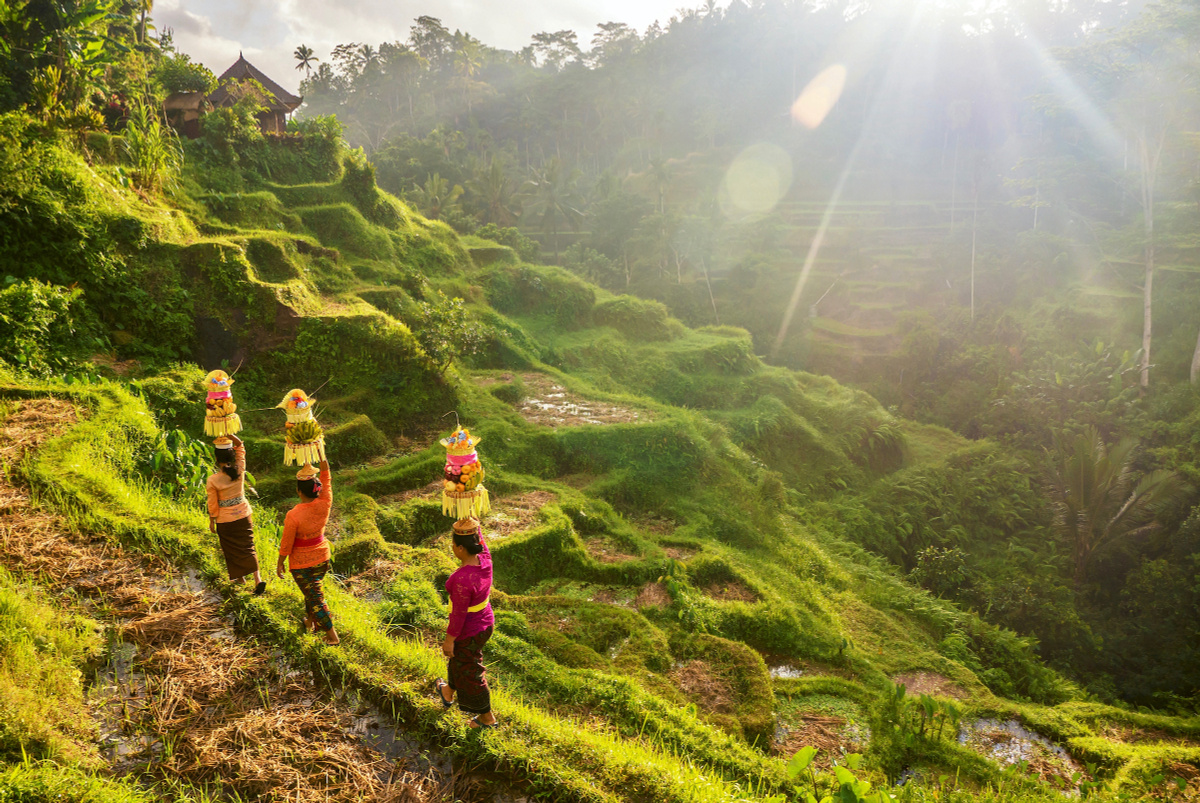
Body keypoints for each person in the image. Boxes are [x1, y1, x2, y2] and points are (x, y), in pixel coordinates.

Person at [435, 517, 496, 728]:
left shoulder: (462, 578)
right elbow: (481, 542)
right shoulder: (485, 560)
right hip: (485, 623)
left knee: (470, 671)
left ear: (460, 548)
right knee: (459, 660)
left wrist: (449, 640)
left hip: (469, 630)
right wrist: (471, 522)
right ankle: (448, 692)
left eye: (453, 545)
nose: (452, 548)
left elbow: (458, 615)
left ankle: (487, 718)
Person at [276, 459, 339, 645]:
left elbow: (287, 543)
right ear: (316, 489)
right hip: (322, 559)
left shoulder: (294, 515)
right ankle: (310, 622)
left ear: (298, 491)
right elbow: (327, 477)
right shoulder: (325, 502)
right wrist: (321, 456)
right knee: (311, 593)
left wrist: (280, 561)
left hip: (303, 564)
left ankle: (333, 637)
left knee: (316, 598)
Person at [206, 434, 265, 595]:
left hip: (225, 520)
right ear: (232, 455)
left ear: (216, 459)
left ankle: (240, 579)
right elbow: (241, 447)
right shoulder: (240, 468)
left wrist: (212, 521)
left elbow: (212, 503)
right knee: (248, 545)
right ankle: (258, 579)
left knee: (231, 549)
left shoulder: (213, 480)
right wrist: (229, 434)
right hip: (244, 514)